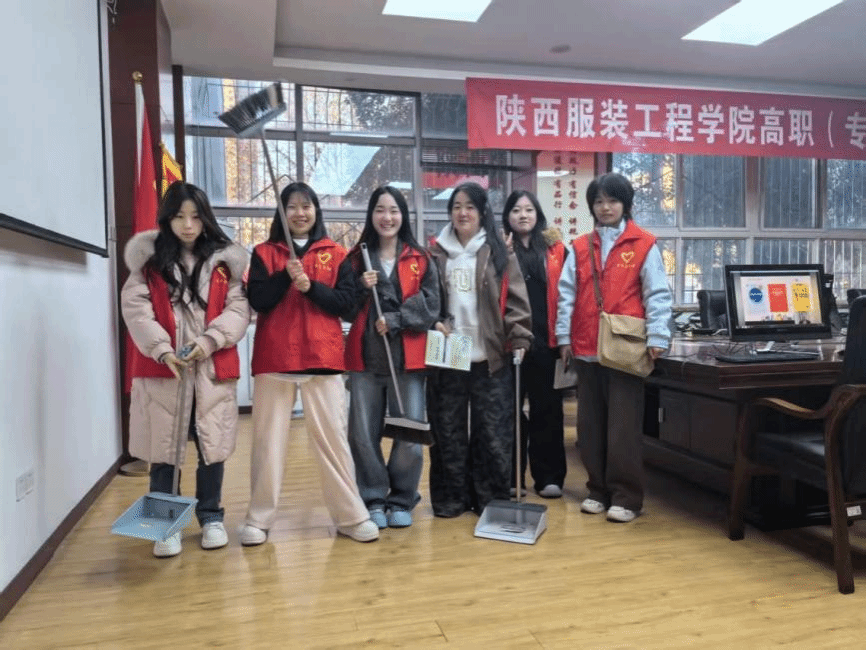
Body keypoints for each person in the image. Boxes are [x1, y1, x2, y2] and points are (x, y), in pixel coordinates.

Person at [240, 181, 378, 545]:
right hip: (275, 358)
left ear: (316, 210)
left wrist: (310, 287)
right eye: (292, 206)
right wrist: (284, 277)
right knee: (268, 444)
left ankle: (351, 516)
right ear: (282, 213)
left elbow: (346, 305)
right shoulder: (264, 252)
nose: (300, 213)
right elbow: (258, 300)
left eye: (306, 206)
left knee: (333, 441)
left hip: (323, 357)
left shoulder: (337, 253)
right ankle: (258, 518)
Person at [121, 181, 251, 557]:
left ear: (206, 218)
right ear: (167, 219)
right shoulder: (149, 262)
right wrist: (162, 350)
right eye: (179, 217)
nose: (188, 225)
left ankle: (211, 517)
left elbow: (238, 309)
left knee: (212, 446)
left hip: (210, 368)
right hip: (165, 370)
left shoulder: (225, 262)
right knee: (164, 448)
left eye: (195, 216)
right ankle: (164, 525)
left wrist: (209, 341)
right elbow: (136, 309)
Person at [556, 172, 672, 523]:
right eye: (599, 201)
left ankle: (627, 497)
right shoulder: (579, 246)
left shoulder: (644, 244)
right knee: (590, 426)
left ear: (625, 204)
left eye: (612, 200)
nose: (605, 207)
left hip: (625, 348)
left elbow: (657, 293)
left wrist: (658, 336)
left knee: (623, 427)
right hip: (586, 345)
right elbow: (566, 295)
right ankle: (597, 490)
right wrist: (563, 338)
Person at [427, 181, 533, 517]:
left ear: (482, 211)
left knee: (492, 430)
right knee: (448, 429)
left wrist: (520, 338)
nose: (463, 213)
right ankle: (452, 498)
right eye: (457, 206)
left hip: (490, 352)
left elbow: (516, 300)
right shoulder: (435, 253)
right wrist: (434, 321)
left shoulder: (498, 251)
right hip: (450, 350)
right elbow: (427, 299)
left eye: (470, 207)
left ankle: (490, 498)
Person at [344, 186, 441, 529]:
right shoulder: (356, 259)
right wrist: (360, 286)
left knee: (410, 434)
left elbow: (432, 304)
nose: (387, 217)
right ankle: (372, 497)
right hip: (365, 359)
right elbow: (343, 306)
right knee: (362, 433)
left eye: (394, 210)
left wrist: (397, 319)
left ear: (404, 215)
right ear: (371, 215)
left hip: (408, 360)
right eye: (380, 210)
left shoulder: (421, 258)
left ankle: (402, 497)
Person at [502, 190, 568, 499]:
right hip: (510, 343)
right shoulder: (499, 248)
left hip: (547, 341)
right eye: (516, 210)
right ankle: (512, 476)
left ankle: (549, 477)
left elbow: (568, 296)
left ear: (538, 214)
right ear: (507, 216)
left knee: (548, 410)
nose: (523, 215)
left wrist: (565, 339)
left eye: (528, 209)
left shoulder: (556, 250)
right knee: (510, 411)